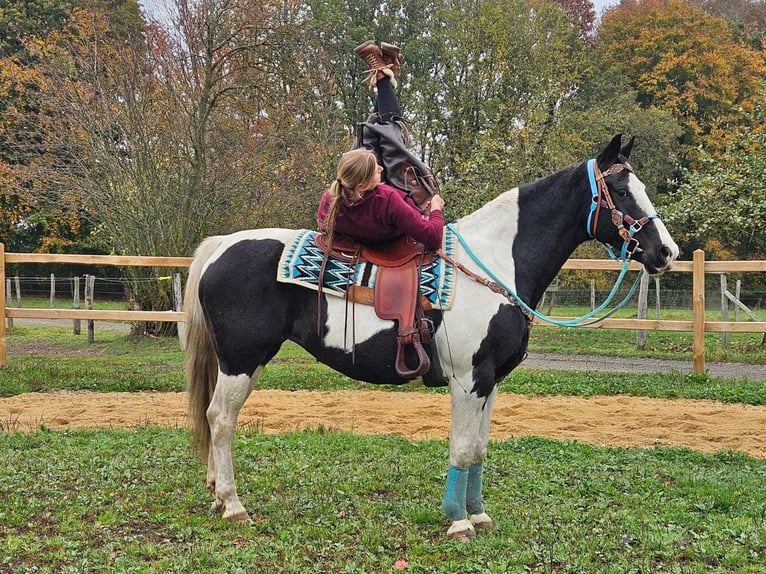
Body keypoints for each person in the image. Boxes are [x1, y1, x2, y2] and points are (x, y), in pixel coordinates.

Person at [317, 41, 445, 251]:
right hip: (390, 219)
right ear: (361, 185)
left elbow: (326, 227)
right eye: (375, 170)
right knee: (392, 140)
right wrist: (437, 208)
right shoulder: (388, 199)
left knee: (373, 137)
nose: (381, 168)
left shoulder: (331, 199)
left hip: (376, 217)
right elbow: (432, 237)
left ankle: (383, 74)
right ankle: (383, 75)